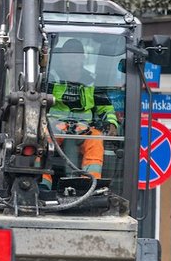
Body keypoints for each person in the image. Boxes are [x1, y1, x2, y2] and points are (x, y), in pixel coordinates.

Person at [42, 38, 119, 188]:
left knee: (96, 140)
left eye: (75, 56)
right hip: (54, 127)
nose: (71, 60)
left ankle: (89, 184)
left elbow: (106, 108)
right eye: (68, 56)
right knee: (43, 142)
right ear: (61, 58)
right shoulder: (50, 80)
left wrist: (111, 123)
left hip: (84, 129)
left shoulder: (92, 82)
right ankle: (43, 183)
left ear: (82, 58)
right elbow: (40, 103)